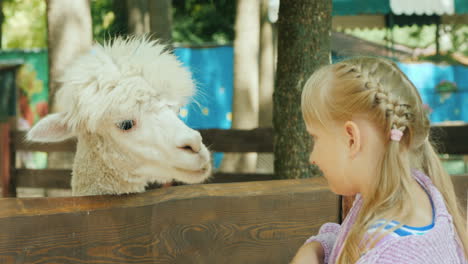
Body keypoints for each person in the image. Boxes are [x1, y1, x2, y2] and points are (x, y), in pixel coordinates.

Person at [291, 57, 467, 263]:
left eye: (315, 138)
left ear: (351, 139)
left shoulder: (389, 257)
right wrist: (314, 249)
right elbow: (351, 243)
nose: (313, 157)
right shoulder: (404, 193)